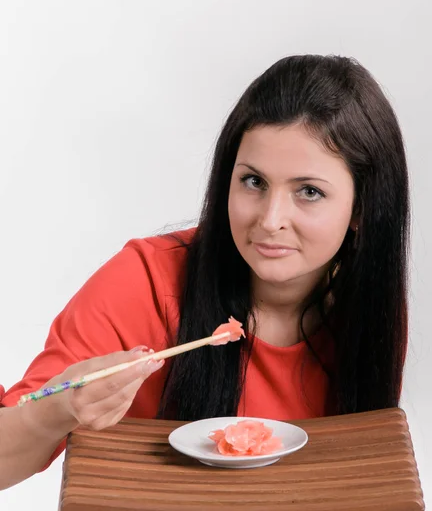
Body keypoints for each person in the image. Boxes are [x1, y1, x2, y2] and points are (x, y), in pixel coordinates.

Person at [0, 54, 410, 490]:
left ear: (361, 208)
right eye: (254, 182)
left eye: (309, 191)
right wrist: (55, 411)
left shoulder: (369, 310)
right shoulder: (144, 282)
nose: (270, 220)